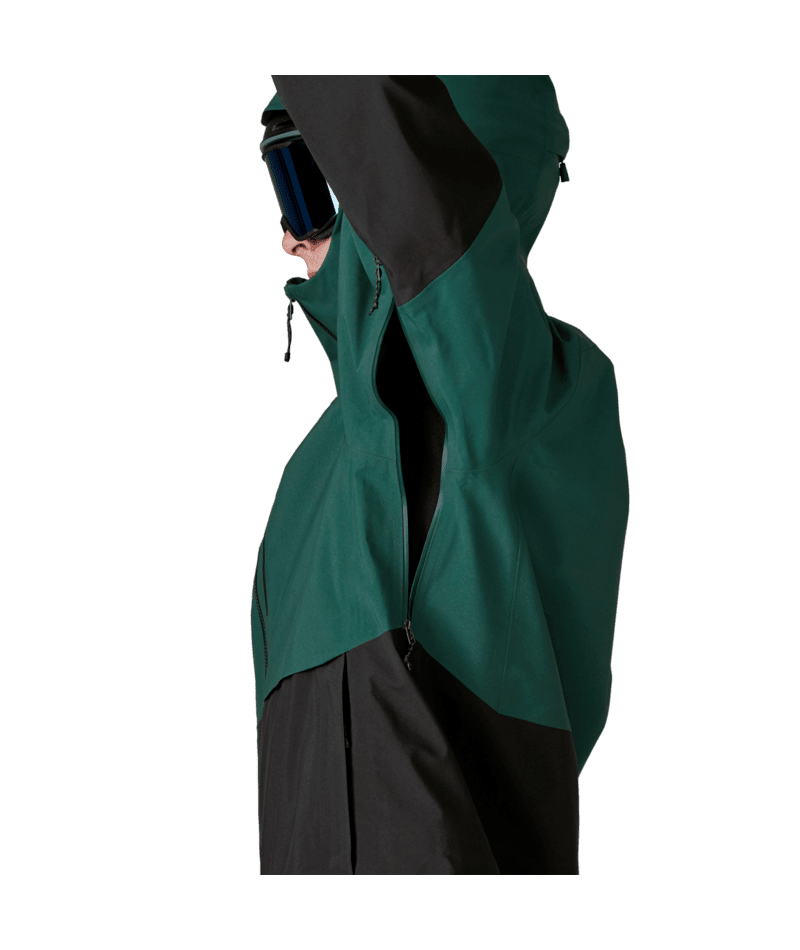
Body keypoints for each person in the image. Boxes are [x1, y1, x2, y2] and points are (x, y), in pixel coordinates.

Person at [250, 76, 629, 875]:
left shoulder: (509, 389)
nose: (289, 239)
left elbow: (421, 214)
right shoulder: (315, 469)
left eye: (307, 187)